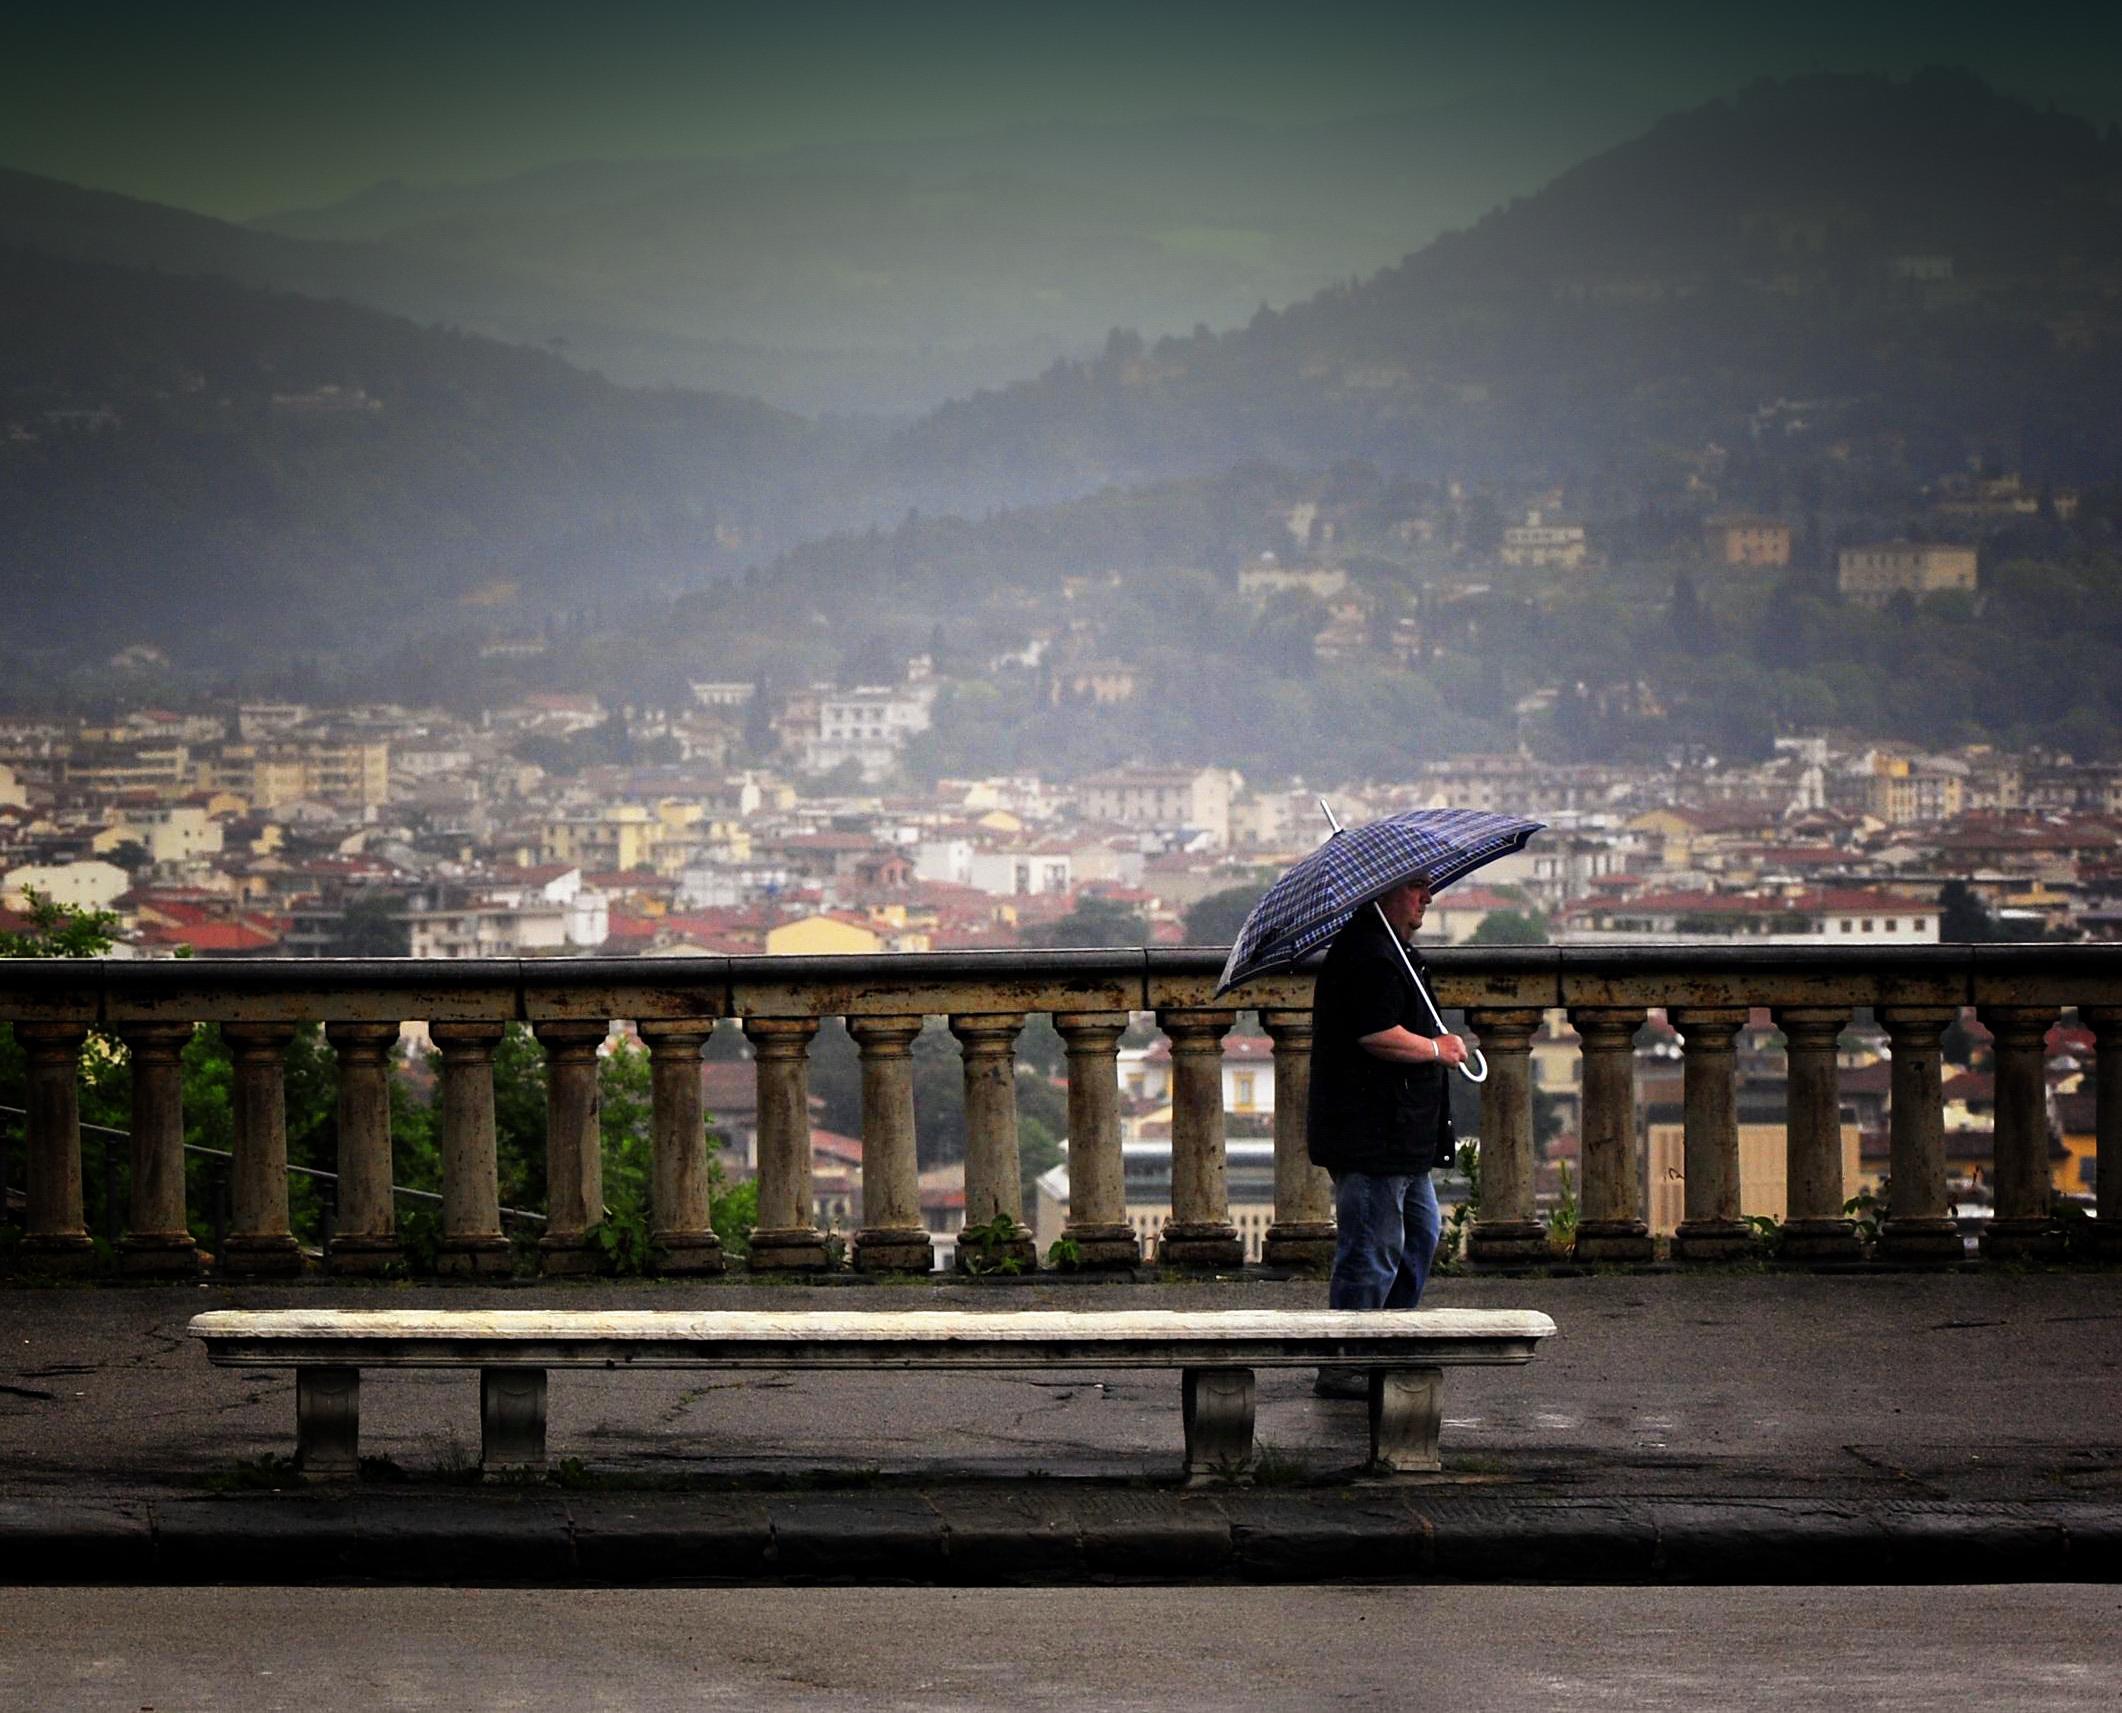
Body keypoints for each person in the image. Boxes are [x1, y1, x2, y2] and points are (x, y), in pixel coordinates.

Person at [1304, 874, 1467, 1399]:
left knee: (1419, 1236)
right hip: (1374, 1133)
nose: (1428, 897)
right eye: (1416, 887)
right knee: (1373, 1247)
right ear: (1380, 894)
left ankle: (1388, 1340)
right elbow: (1377, 1035)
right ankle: (1349, 1361)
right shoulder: (1371, 957)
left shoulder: (1390, 952)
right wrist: (1436, 1050)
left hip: (1399, 1134)